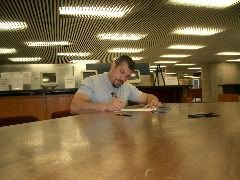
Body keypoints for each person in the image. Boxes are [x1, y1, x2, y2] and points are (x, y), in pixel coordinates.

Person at [70, 55, 161, 114]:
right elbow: (74, 107)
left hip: (118, 134)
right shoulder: (91, 81)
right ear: (113, 66)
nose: (123, 79)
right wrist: (105, 106)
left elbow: (147, 97)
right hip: (95, 135)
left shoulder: (127, 87)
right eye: (121, 72)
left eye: (127, 76)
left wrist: (153, 101)